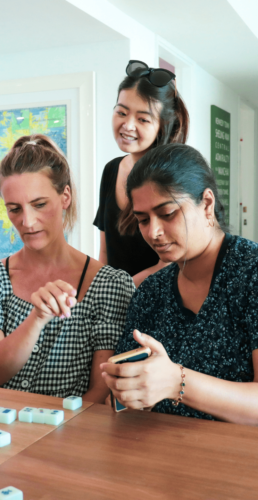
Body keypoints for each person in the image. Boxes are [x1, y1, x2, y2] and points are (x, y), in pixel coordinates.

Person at [0, 135, 135, 402]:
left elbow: (101, 390)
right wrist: (37, 318)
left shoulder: (111, 284)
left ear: (64, 196)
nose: (27, 221)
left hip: (69, 433)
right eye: (14, 209)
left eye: (39, 204)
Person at [102, 143, 258, 424]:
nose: (154, 232)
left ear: (207, 204)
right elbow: (121, 401)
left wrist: (177, 382)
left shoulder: (251, 272)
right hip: (159, 453)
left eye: (168, 213)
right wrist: (127, 391)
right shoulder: (151, 292)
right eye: (143, 220)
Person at [94, 60, 190, 286]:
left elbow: (171, 261)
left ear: (162, 125)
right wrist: (99, 294)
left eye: (142, 119)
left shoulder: (174, 174)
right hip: (117, 304)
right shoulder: (111, 170)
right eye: (121, 112)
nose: (127, 125)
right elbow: (106, 254)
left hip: (160, 303)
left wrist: (121, 290)